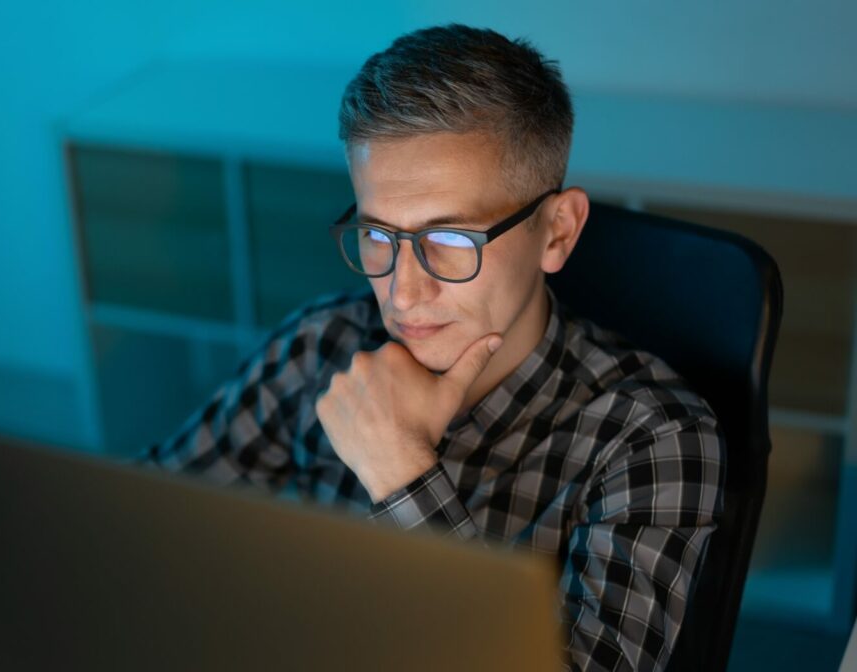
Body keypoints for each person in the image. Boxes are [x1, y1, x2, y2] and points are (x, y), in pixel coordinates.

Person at [142, 23, 724, 672]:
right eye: (377, 236)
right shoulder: (323, 343)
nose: (402, 292)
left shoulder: (653, 437)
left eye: (451, 241)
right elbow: (143, 525)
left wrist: (403, 476)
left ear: (557, 232)